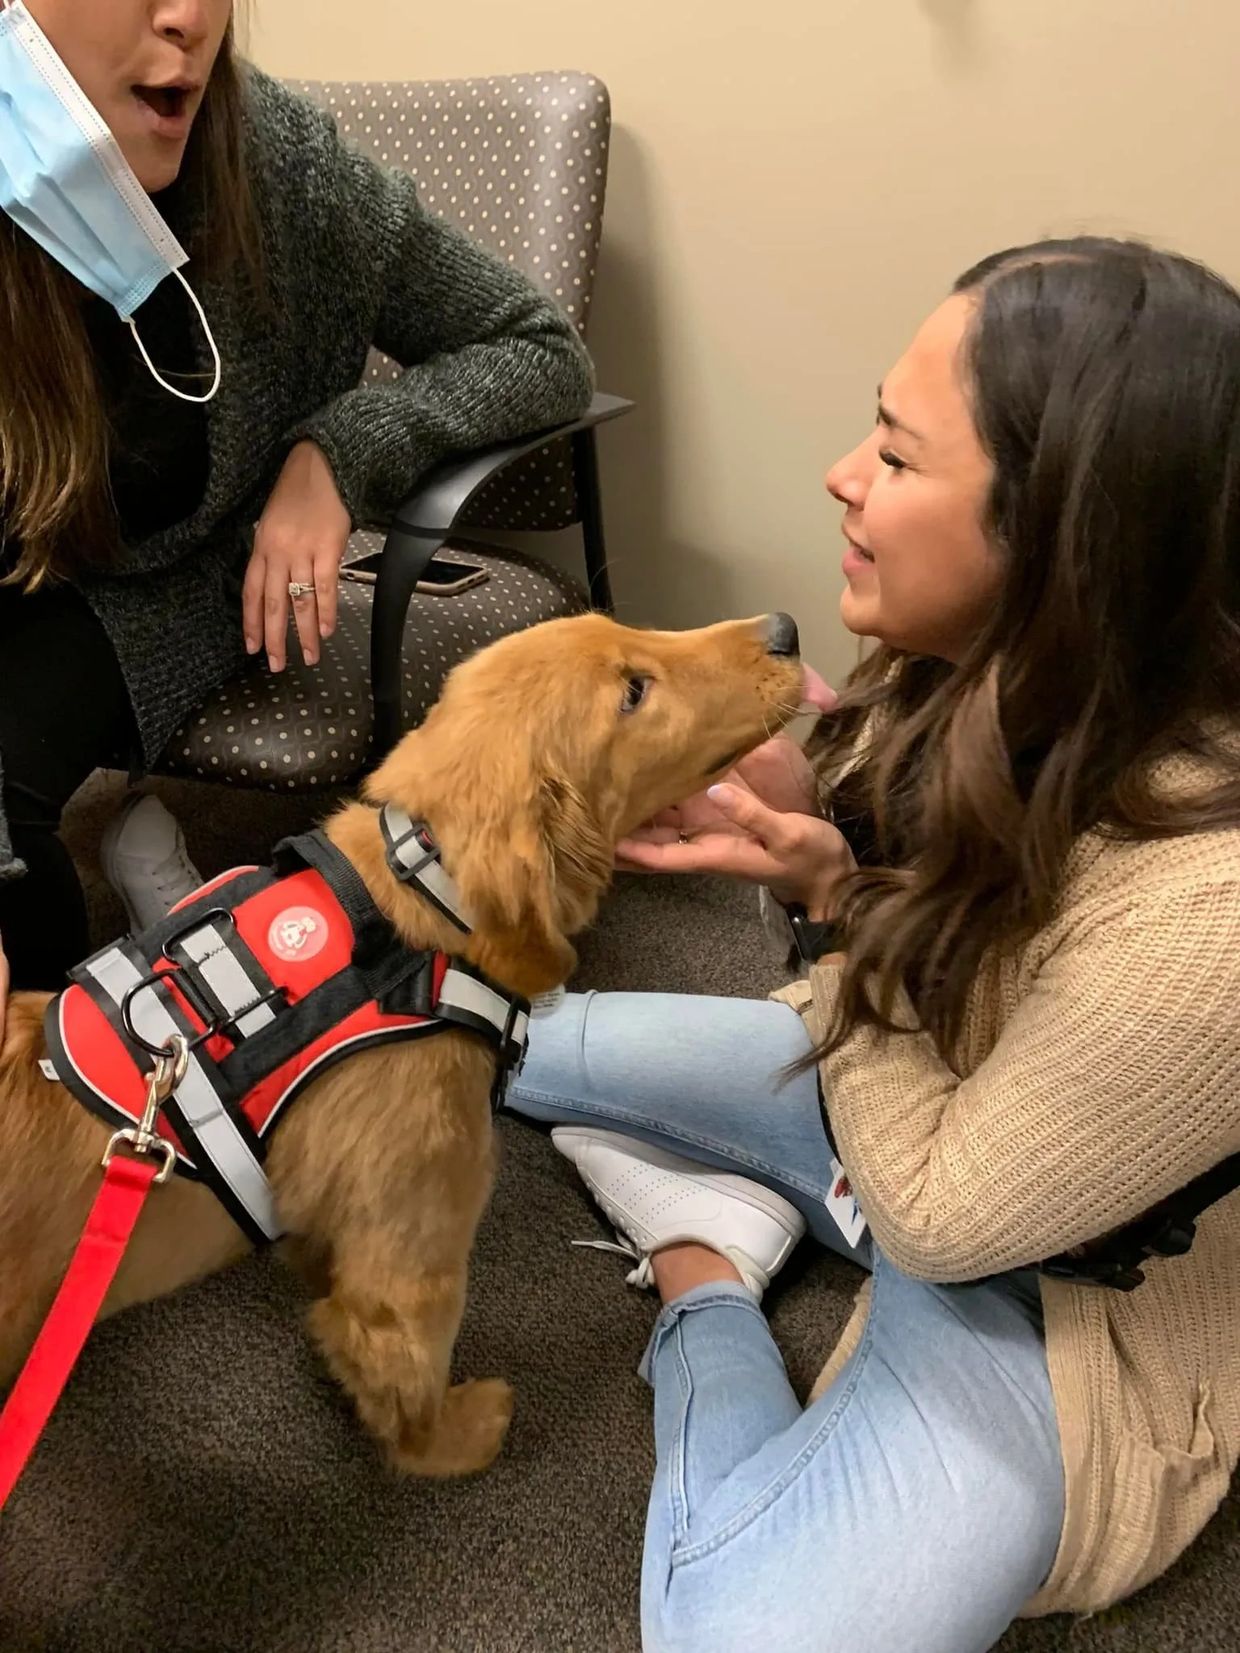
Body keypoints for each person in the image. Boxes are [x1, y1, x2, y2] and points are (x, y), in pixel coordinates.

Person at [507, 238, 1240, 1652]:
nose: (846, 475)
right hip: (926, 1077)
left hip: (1059, 1293)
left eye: (899, 460)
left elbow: (943, 1217)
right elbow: (884, 822)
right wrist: (800, 800)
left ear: (1060, 543)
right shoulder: (995, 663)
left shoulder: (1210, 920)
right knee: (516, 1041)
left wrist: (843, 909)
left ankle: (704, 1265)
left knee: (730, 1637)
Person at [0, 0, 593, 1035]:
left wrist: (338, 451)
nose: (185, 15)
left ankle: (74, 1090)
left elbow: (536, 345)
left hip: (143, 582)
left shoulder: (287, 172)